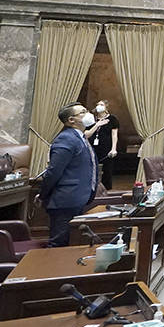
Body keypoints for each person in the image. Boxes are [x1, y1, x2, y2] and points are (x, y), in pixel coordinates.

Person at [41, 103, 98, 247]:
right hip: (66, 200)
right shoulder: (65, 138)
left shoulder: (80, 137)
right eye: (83, 112)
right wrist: (43, 195)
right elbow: (54, 172)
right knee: (59, 244)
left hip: (78, 198)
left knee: (71, 242)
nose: (88, 114)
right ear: (71, 120)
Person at [86, 100, 120, 188]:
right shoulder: (92, 119)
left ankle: (106, 189)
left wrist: (113, 148)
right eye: (97, 104)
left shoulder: (112, 119)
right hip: (93, 147)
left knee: (107, 170)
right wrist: (97, 124)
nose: (98, 106)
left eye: (101, 105)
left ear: (106, 108)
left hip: (106, 147)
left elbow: (114, 135)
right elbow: (86, 133)